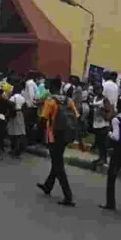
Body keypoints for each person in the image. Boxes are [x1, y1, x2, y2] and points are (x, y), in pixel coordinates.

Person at [36, 77, 78, 207]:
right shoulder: (68, 100)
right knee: (57, 159)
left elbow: (43, 120)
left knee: (58, 164)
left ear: (52, 86)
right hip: (65, 135)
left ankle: (68, 196)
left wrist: (39, 133)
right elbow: (76, 116)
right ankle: (48, 186)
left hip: (53, 135)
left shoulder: (50, 101)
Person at [90, 84, 112, 166]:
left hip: (103, 124)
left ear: (102, 90)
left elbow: (109, 110)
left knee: (103, 143)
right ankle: (100, 157)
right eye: (95, 89)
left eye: (98, 89)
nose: (97, 91)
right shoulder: (95, 98)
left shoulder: (105, 99)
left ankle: (104, 159)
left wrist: (102, 110)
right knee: (98, 142)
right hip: (96, 123)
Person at [7, 83, 27, 158]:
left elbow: (9, 107)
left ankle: (14, 150)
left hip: (13, 116)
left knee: (13, 133)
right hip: (20, 115)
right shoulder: (23, 98)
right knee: (19, 134)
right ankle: (17, 150)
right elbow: (25, 108)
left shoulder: (12, 98)